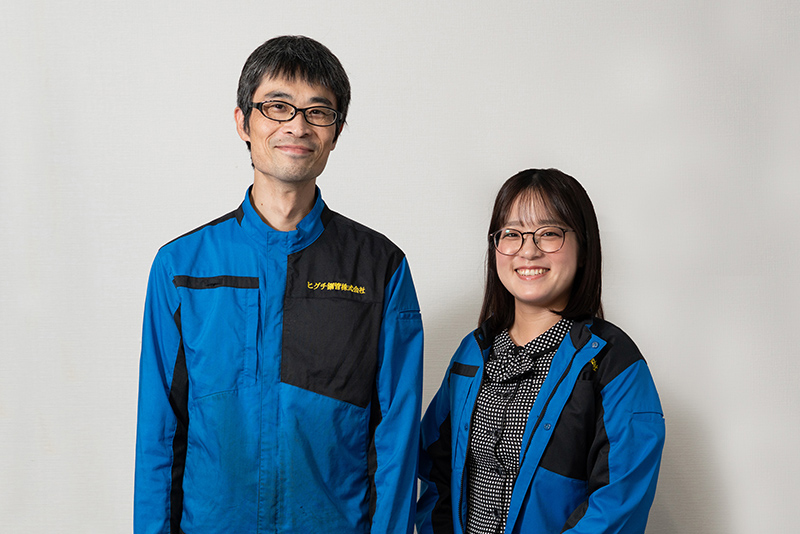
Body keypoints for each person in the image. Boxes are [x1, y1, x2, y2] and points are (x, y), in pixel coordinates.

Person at [134, 36, 424, 534]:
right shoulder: (181, 267)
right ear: (243, 122)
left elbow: (397, 437)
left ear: (336, 133)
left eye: (318, 111)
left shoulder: (380, 268)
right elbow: (159, 432)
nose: (297, 125)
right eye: (277, 106)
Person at [416, 169, 665, 534]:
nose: (528, 250)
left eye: (549, 233)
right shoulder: (473, 351)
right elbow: (435, 470)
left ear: (584, 248)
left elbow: (618, 502)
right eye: (511, 234)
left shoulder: (613, 362)